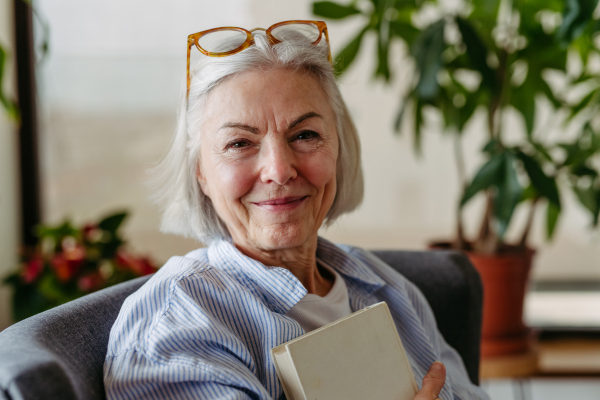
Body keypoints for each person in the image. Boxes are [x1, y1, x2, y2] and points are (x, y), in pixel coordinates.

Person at [104, 21, 489, 400]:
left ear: (339, 150)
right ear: (202, 173)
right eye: (240, 143)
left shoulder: (385, 287)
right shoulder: (180, 320)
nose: (278, 170)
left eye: (305, 135)